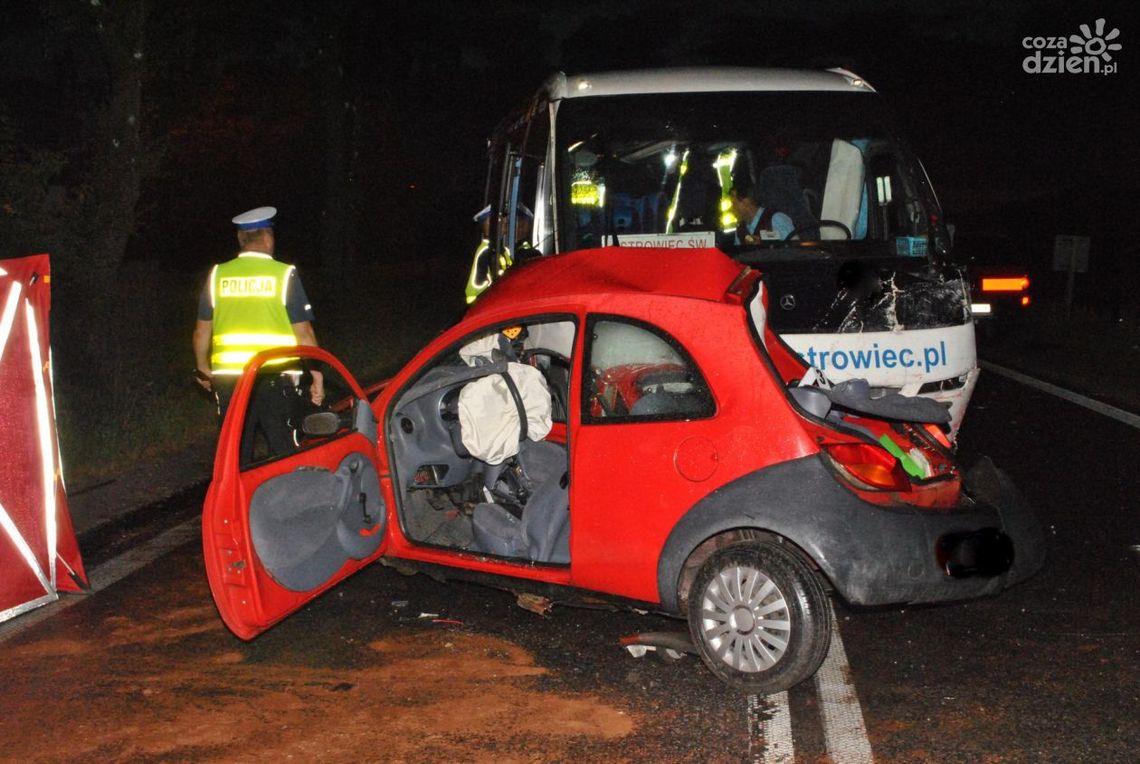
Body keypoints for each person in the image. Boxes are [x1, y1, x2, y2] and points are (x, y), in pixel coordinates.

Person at [192, 206, 324, 464]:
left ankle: (238, 502)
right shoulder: (284, 274)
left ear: (241, 240)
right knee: (283, 448)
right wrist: (317, 376)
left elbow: (201, 331)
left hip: (229, 380)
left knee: (235, 453)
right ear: (267, 238)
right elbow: (304, 334)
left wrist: (202, 369)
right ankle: (288, 500)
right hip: (274, 376)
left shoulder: (218, 274)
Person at [464, 203, 535, 304]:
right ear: (488, 225)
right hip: (482, 305)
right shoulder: (485, 250)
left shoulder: (502, 249)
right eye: (500, 219)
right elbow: (482, 287)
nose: (505, 221)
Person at [729, 174, 795, 244]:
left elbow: (794, 246)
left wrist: (763, 241)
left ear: (746, 202)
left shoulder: (775, 219)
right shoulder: (740, 231)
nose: (732, 209)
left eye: (734, 204)